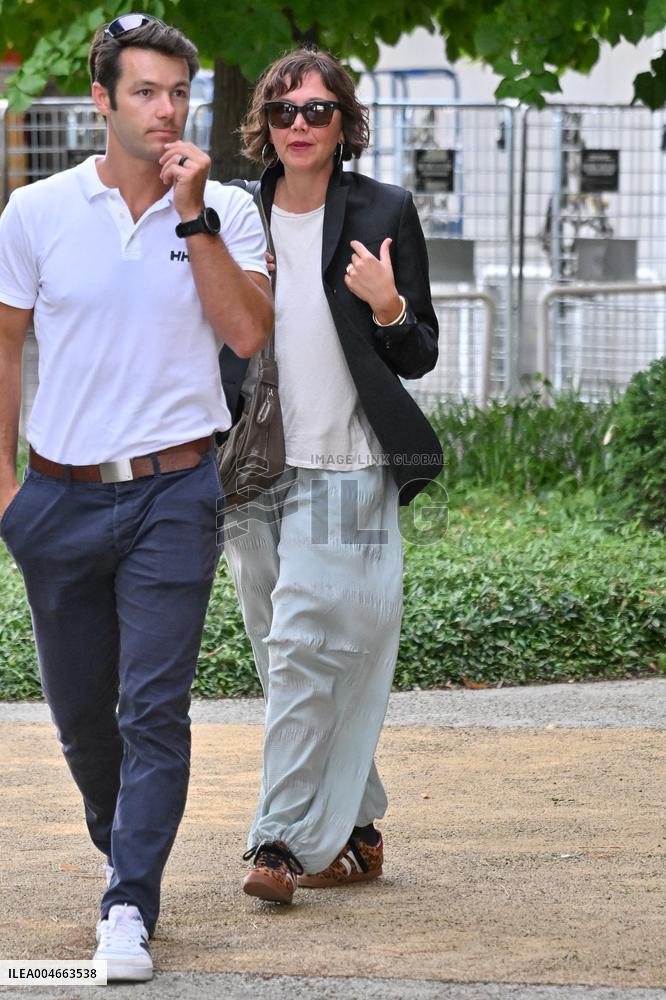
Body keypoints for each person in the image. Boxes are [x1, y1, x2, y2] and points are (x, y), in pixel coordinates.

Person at [0, 13, 272, 980]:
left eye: (178, 93)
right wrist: (5, 491)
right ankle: (123, 844)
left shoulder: (230, 211)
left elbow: (246, 335)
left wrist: (193, 214)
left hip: (174, 491)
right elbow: (5, 345)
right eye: (147, 93)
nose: (167, 111)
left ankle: (128, 903)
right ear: (102, 100)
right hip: (58, 499)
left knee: (153, 706)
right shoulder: (36, 212)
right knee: (80, 715)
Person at [223, 47, 443, 906]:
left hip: (348, 467)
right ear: (265, 127)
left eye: (318, 111)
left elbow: (419, 350)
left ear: (344, 123)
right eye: (285, 112)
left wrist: (387, 302)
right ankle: (357, 825)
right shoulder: (237, 216)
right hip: (254, 473)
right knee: (285, 657)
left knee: (308, 642)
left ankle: (277, 840)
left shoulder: (383, 207)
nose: (301, 125)